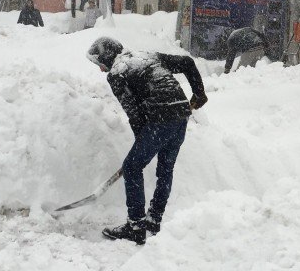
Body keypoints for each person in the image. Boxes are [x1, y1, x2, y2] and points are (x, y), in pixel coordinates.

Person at [86, 37, 208, 245]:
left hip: (161, 118)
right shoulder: (148, 56)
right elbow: (187, 63)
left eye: (100, 64)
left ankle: (135, 227)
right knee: (165, 170)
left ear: (107, 57)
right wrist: (199, 93)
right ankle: (153, 220)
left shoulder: (117, 74)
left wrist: (141, 145)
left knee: (132, 167)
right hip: (181, 113)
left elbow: (134, 113)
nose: (101, 70)